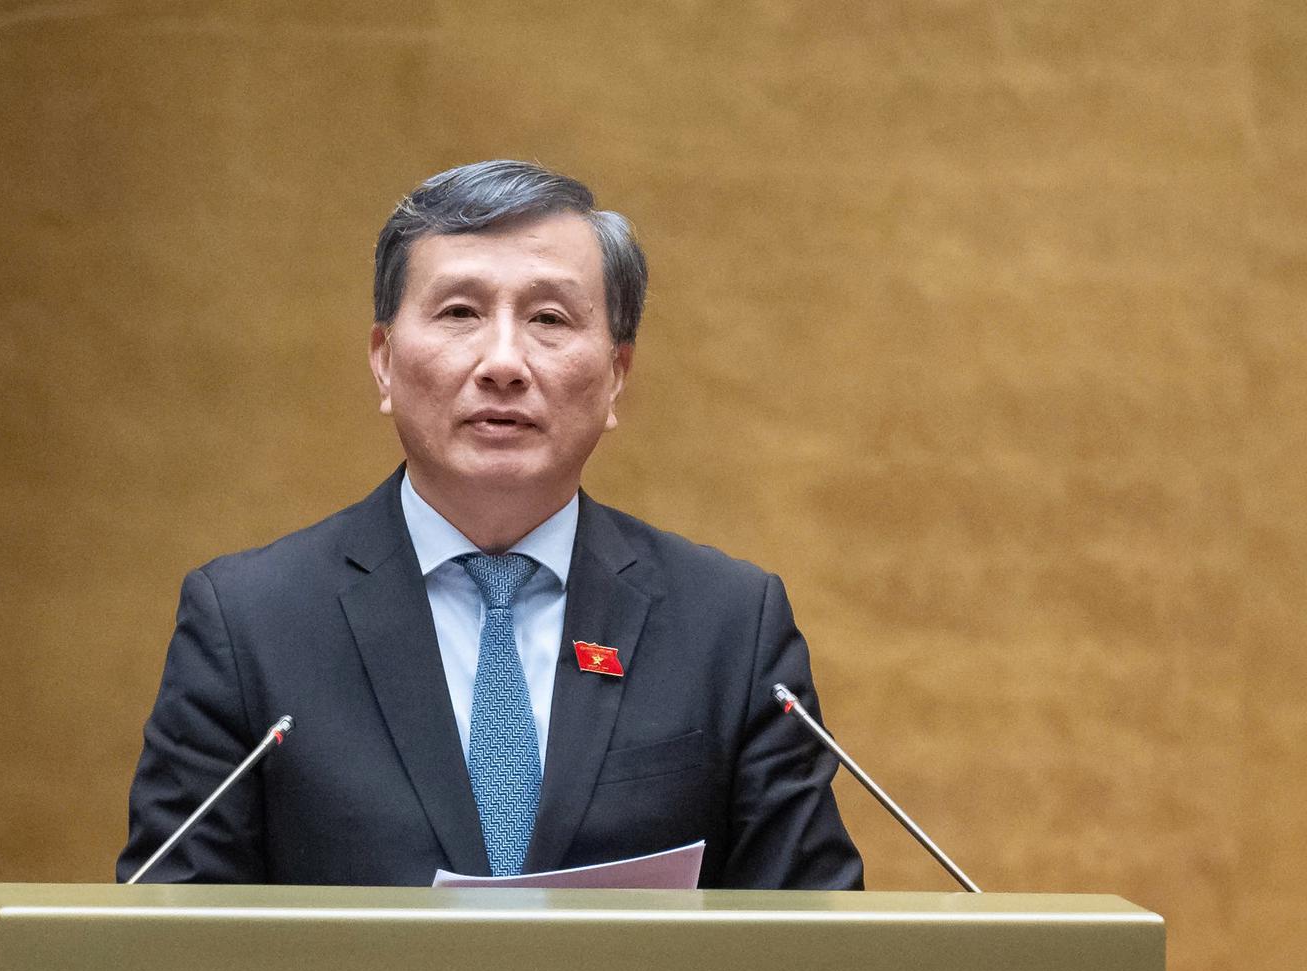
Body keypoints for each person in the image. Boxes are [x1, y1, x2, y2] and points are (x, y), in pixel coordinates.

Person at [118, 160, 862, 889]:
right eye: (459, 313)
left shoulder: (728, 625)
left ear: (615, 376)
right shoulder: (250, 624)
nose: (503, 363)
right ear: (384, 362)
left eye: (548, 319)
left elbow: (816, 944)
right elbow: (165, 936)